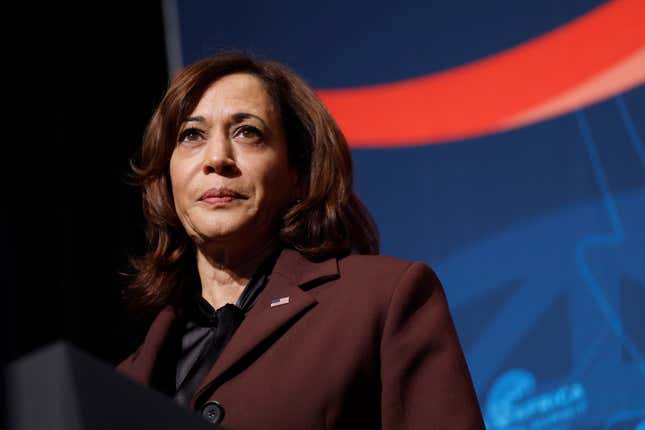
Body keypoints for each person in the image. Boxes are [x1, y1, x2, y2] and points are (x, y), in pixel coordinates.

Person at [116, 53, 485, 429]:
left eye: (247, 132)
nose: (217, 158)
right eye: (191, 135)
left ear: (297, 172)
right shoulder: (125, 382)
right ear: (167, 175)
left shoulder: (383, 299)